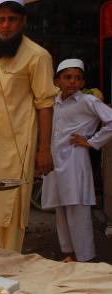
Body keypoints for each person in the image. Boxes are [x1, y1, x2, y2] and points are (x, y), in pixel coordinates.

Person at [0, 0, 58, 252]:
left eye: (12, 19)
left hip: (12, 152)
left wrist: (44, 149)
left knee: (8, 215)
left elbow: (45, 104)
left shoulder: (38, 57)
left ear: (23, 21)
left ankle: (8, 276)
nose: (5, 26)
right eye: (1, 20)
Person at [42, 59, 112, 262]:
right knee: (61, 209)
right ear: (57, 81)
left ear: (82, 83)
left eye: (77, 78)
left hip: (75, 162)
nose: (72, 82)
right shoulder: (53, 102)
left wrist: (92, 142)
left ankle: (85, 258)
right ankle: (68, 254)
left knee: (78, 211)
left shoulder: (88, 101)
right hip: (56, 162)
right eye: (67, 77)